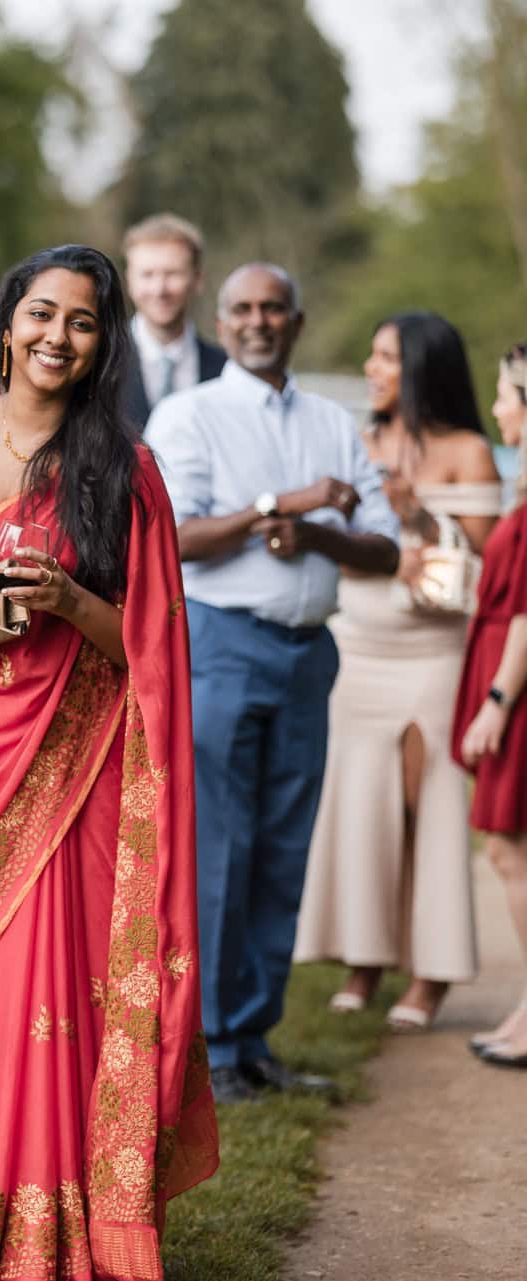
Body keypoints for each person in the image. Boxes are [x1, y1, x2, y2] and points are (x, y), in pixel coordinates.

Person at [0, 243, 219, 1279]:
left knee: (55, 997)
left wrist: (67, 602)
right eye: (42, 313)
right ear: (6, 321)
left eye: (81, 323)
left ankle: (69, 1236)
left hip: (76, 767)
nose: (56, 336)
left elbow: (156, 647)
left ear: (100, 347)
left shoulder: (121, 471)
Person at [144, 263, 401, 1103]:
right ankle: (213, 1047)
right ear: (224, 318)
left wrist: (318, 538)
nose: (258, 321)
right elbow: (176, 536)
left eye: (274, 308)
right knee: (222, 846)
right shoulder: (189, 414)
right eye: (244, 309)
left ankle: (255, 1037)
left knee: (285, 848)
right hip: (221, 643)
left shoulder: (334, 420)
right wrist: (273, 507)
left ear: (296, 319)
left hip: (306, 651)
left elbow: (386, 547)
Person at [296, 311, 501, 1029]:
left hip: (431, 656)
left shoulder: (468, 451)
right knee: (360, 809)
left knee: (423, 809)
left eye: (385, 357)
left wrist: (415, 516)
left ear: (418, 367)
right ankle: (364, 958)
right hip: (358, 648)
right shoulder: (360, 442)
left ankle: (431, 974)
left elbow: (484, 573)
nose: (370, 367)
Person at [453, 344, 527, 1070]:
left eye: (507, 395)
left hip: (518, 690)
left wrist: (498, 701)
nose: (499, 407)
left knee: (509, 848)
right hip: (509, 679)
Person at [120, 213, 225, 433]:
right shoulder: (98, 364)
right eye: (147, 275)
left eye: (172, 274)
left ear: (197, 279)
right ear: (129, 280)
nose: (159, 290)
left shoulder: (226, 371)